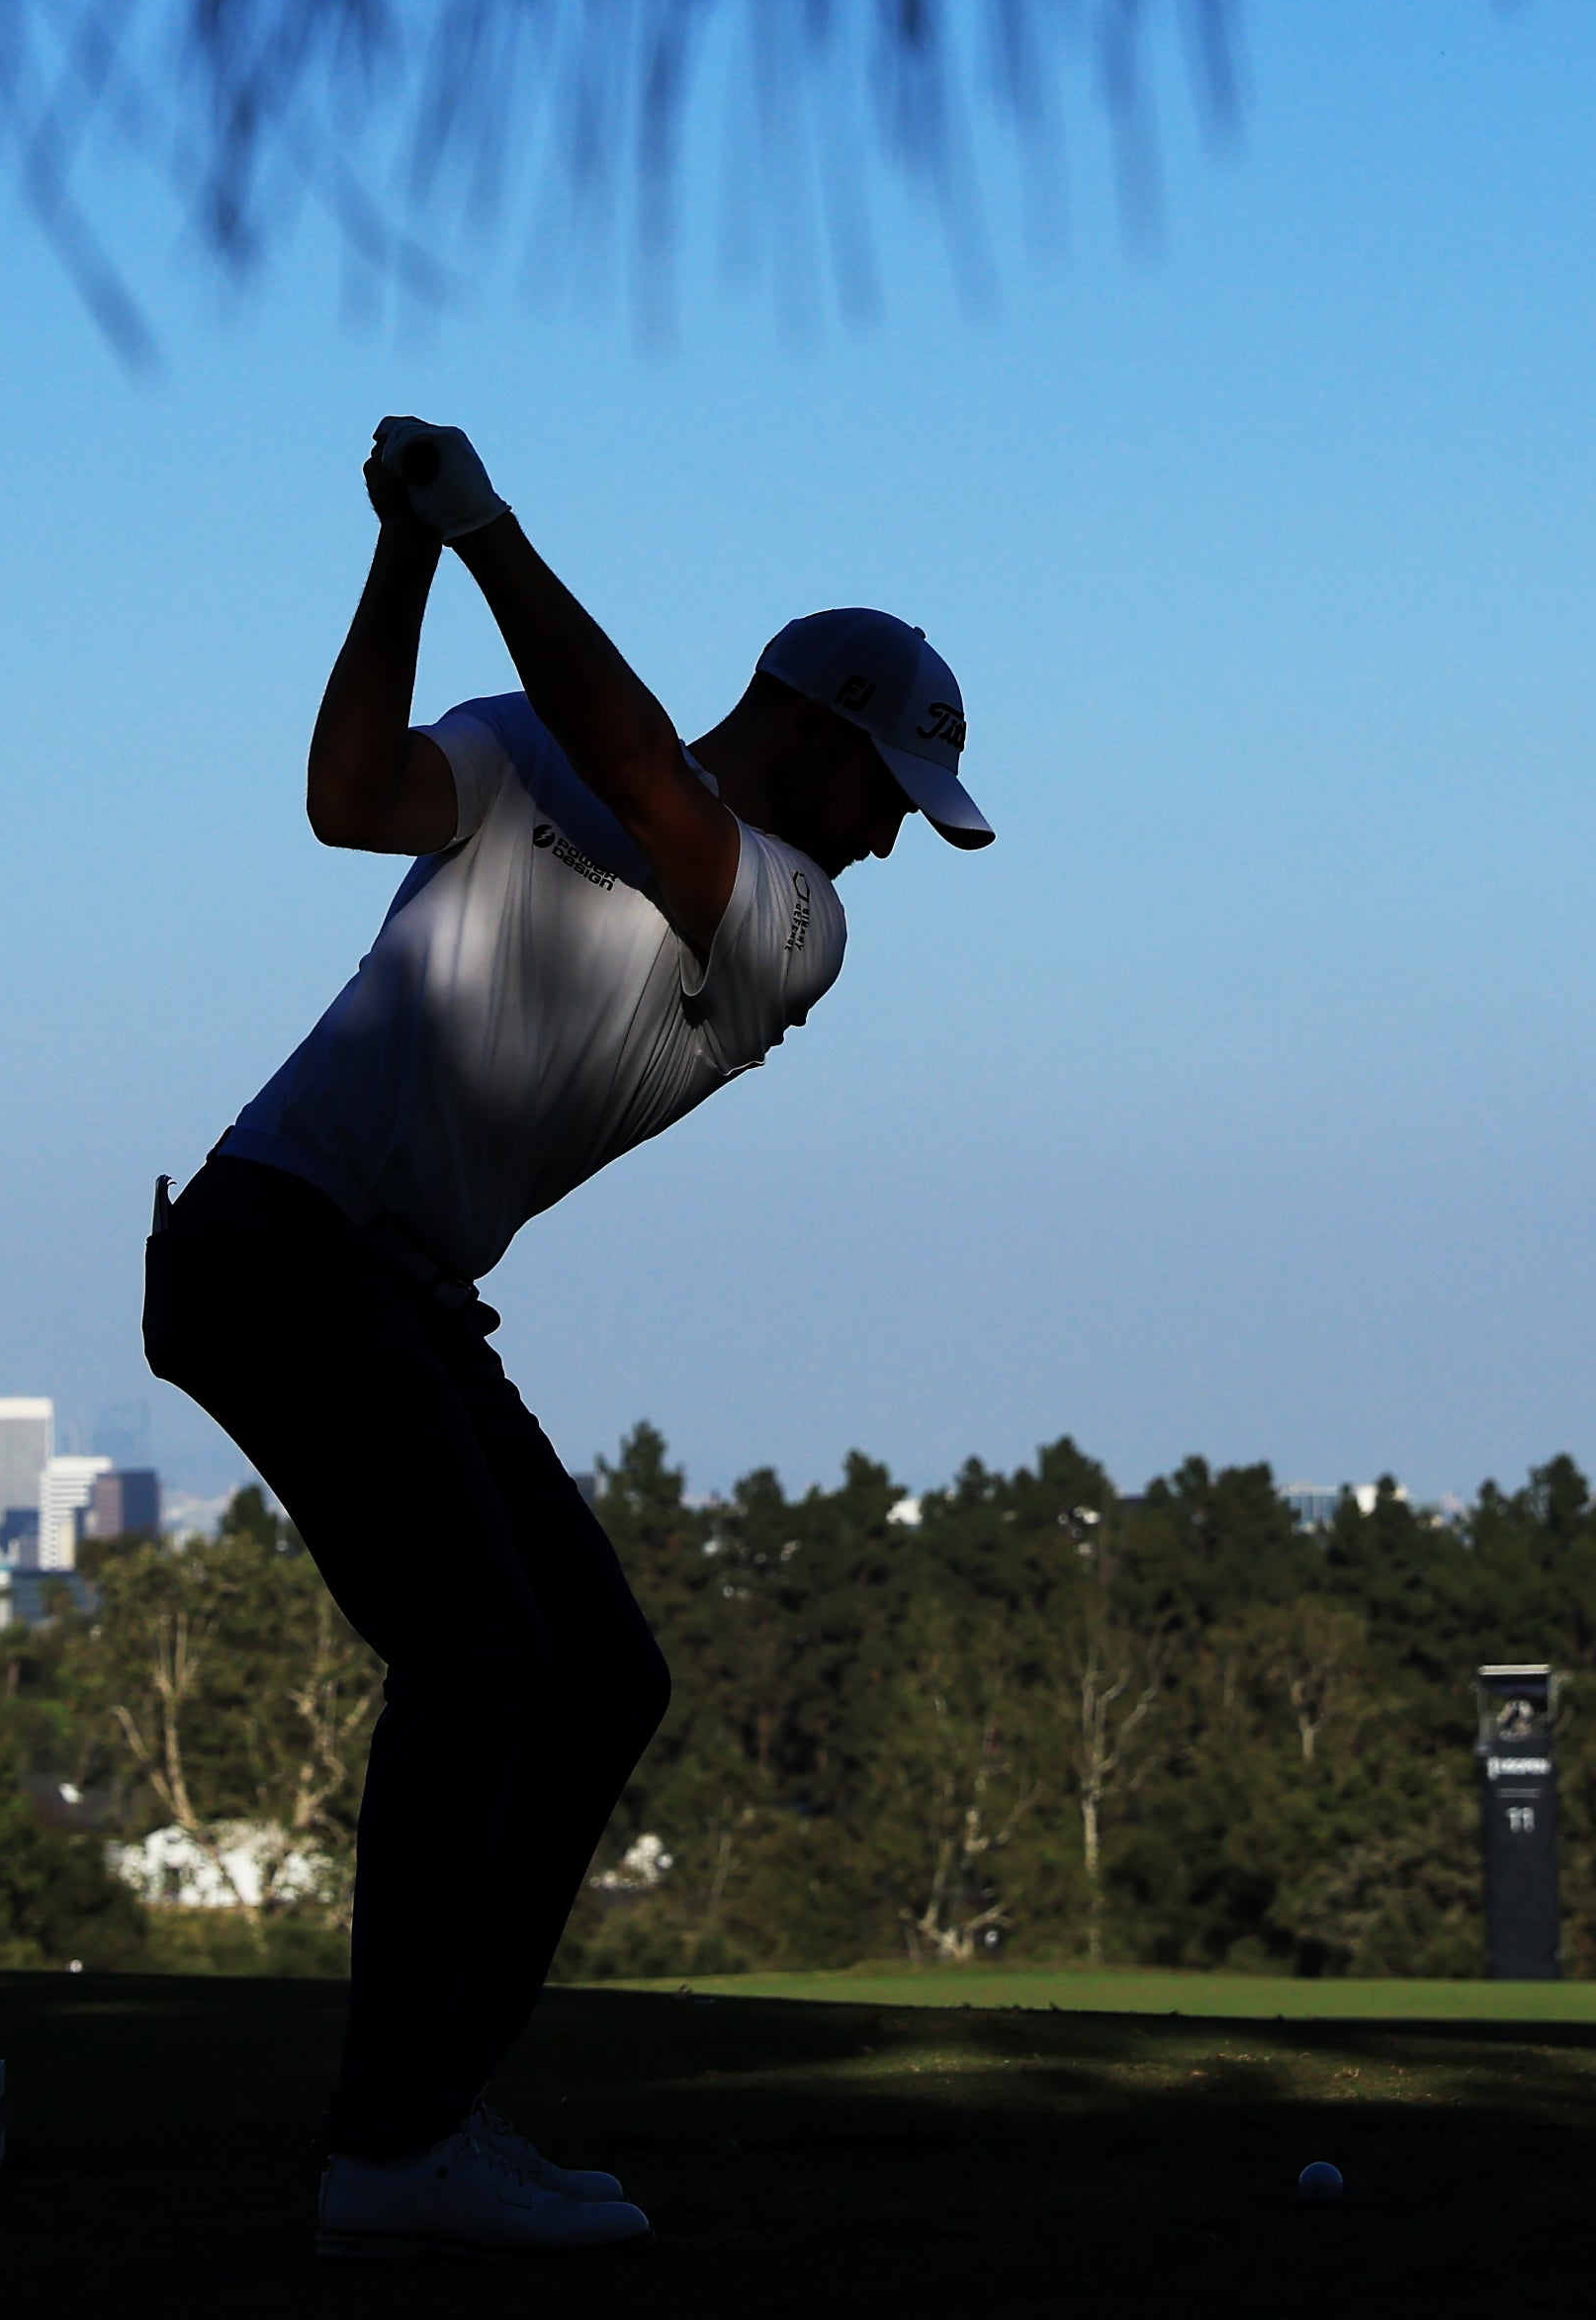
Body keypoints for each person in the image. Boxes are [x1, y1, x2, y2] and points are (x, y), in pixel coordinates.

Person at [149, 417, 988, 2264]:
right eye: (891, 789)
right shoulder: (534, 747)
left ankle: (431, 2116)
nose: (892, 840)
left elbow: (639, 769)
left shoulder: (792, 925)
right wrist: (410, 553)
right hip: (276, 1241)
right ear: (825, 725)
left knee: (595, 1674)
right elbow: (347, 795)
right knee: (483, 1652)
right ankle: (396, 2141)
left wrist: (484, 528)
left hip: (395, 1288)